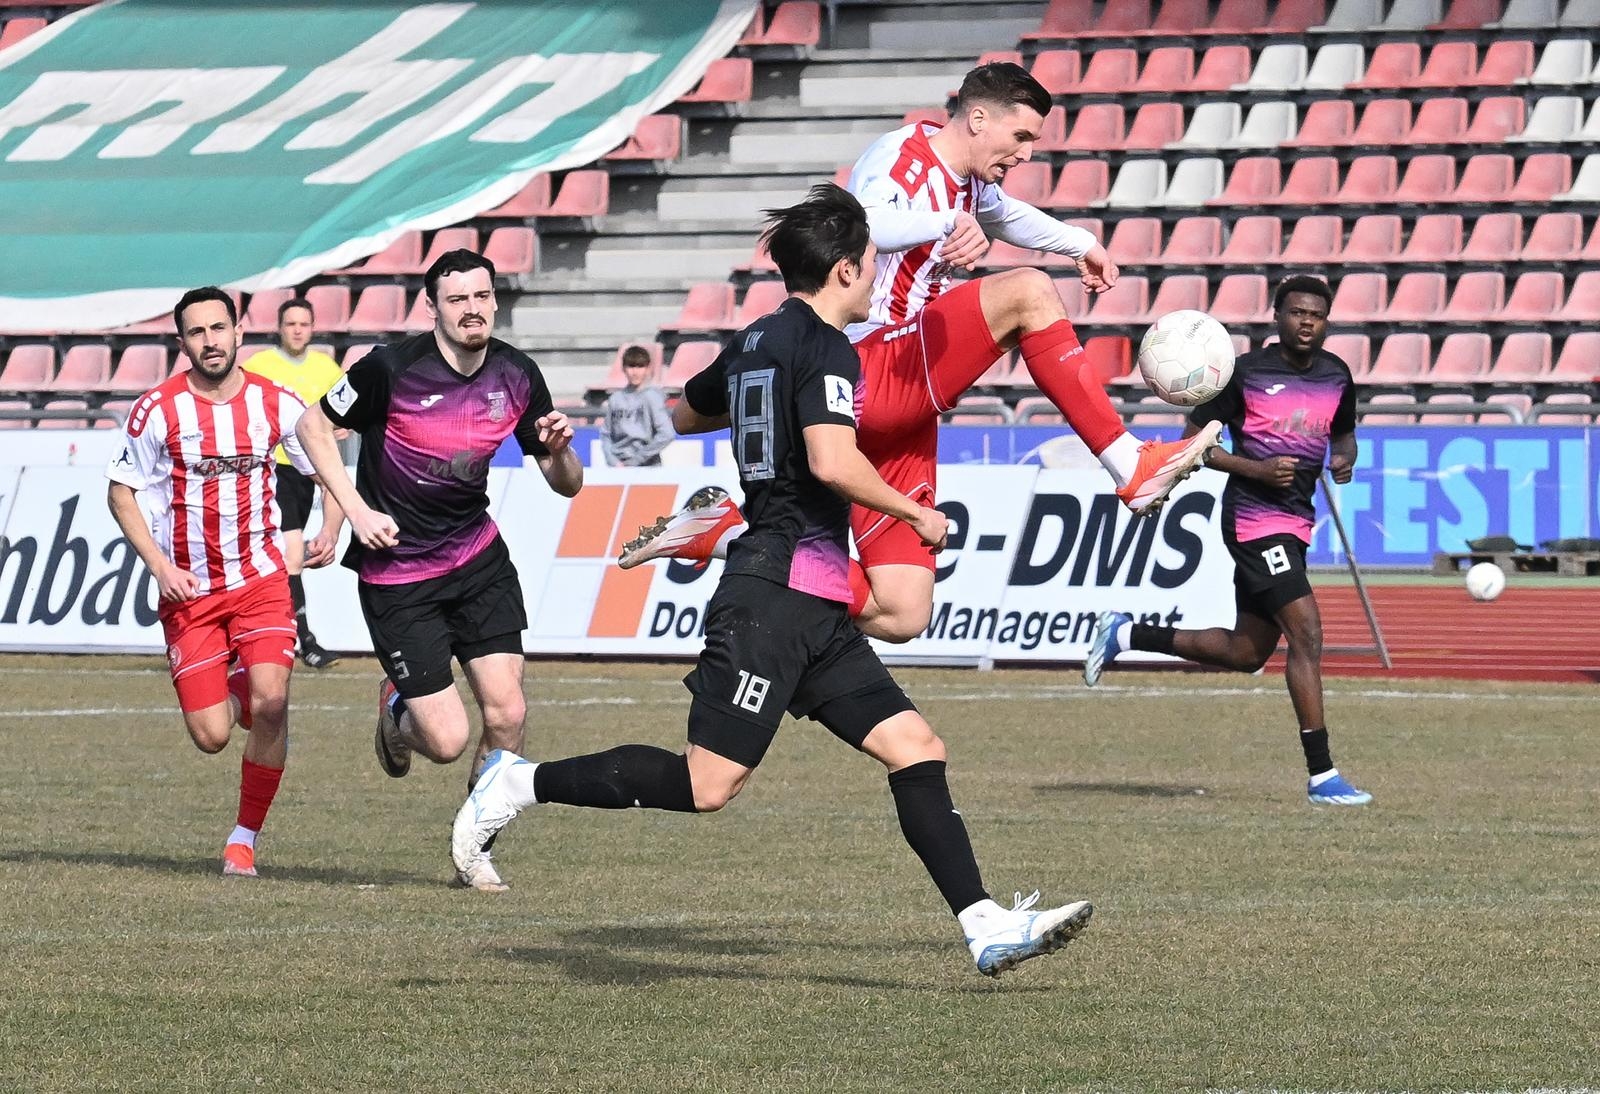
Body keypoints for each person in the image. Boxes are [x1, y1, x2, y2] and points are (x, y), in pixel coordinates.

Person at [452, 184, 1093, 976]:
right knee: (708, 784)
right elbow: (831, 461)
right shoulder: (827, 348)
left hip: (811, 595)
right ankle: (518, 782)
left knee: (915, 746)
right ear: (846, 270)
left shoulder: (757, 337)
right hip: (775, 596)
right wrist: (915, 515)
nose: (875, 279)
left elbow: (687, 413)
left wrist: (751, 411)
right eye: (871, 265)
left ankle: (984, 924)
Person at [617, 61, 1221, 644]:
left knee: (900, 612)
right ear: (978, 119)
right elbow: (864, 223)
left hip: (901, 409)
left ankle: (721, 534)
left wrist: (1079, 243)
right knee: (1029, 292)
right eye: (1021, 137)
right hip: (868, 365)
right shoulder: (900, 156)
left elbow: (1003, 216)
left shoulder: (972, 182)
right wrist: (944, 223)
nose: (1027, 154)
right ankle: (1128, 463)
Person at [295, 248, 583, 891]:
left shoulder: (517, 373)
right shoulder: (390, 368)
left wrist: (562, 452)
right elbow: (312, 426)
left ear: (495, 300)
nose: (472, 309)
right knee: (448, 740)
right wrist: (355, 510)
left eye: (481, 296)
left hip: (478, 560)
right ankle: (396, 711)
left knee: (508, 714)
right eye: (457, 299)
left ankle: (474, 848)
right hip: (399, 576)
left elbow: (566, 483)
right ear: (433, 308)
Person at [1083, 275, 1372, 807]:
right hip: (1253, 520)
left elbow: (1344, 433)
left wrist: (1344, 458)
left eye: (1316, 315)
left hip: (1297, 522)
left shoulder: (1337, 375)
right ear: (1277, 317)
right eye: (1297, 313)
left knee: (1246, 652)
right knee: (1307, 632)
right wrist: (1256, 470)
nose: (1306, 323)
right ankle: (1322, 775)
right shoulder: (1244, 373)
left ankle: (1127, 633)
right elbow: (1192, 445)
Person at [105, 286, 341, 878]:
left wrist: (333, 525)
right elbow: (120, 493)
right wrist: (161, 567)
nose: (210, 341)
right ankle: (238, 684)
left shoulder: (276, 402)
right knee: (211, 735)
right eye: (197, 332)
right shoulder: (157, 410)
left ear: (239, 331)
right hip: (191, 592)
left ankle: (243, 839)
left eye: (218, 328)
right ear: (181, 342)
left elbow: (328, 464)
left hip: (261, 579)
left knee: (273, 703)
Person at [243, 296, 345, 668]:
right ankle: (305, 641)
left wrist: (343, 426)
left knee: (284, 558)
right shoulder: (259, 366)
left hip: (311, 471)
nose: (298, 331)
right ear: (280, 328)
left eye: (304, 324)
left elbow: (344, 412)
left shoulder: (326, 368)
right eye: (291, 324)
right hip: (274, 468)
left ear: (313, 328)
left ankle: (273, 637)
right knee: (291, 553)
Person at [601, 344, 675, 467]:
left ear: (648, 369)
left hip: (647, 466)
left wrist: (637, 459)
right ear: (624, 368)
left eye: (640, 366)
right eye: (631, 366)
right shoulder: (615, 399)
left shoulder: (652, 397)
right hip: (619, 465)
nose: (635, 372)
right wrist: (613, 461)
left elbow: (666, 434)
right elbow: (606, 434)